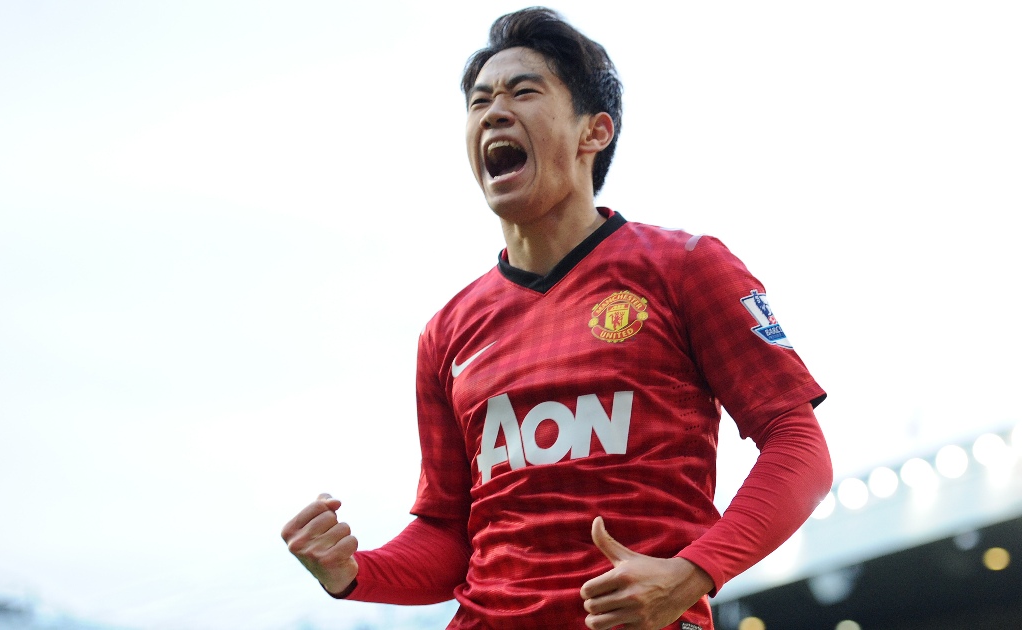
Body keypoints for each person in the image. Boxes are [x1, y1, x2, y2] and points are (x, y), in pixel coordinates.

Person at [281, 8, 832, 630]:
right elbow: (449, 534)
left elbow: (797, 443)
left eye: (523, 91)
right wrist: (355, 572)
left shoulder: (683, 268)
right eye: (479, 100)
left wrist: (694, 572)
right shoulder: (446, 332)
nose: (493, 111)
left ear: (593, 132)